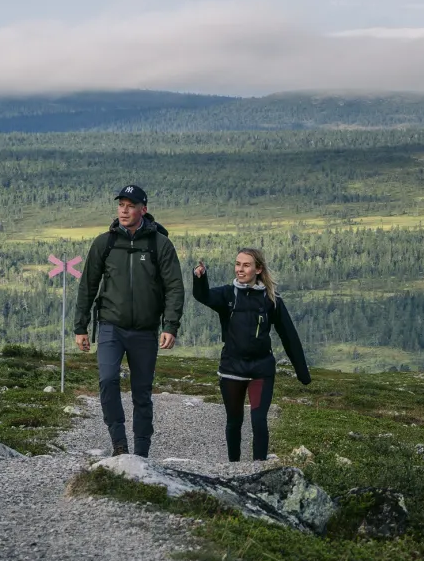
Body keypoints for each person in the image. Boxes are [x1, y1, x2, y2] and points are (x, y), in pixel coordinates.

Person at [73, 184, 185, 457]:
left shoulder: (160, 244)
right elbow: (88, 285)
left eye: (130, 205)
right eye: (121, 205)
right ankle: (119, 444)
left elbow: (174, 287)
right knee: (108, 380)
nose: (124, 210)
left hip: (146, 330)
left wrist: (170, 325)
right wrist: (80, 327)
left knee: (142, 393)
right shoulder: (105, 242)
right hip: (111, 326)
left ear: (143, 210)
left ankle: (142, 452)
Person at [193, 249, 310, 462]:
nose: (240, 269)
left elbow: (289, 337)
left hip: (261, 370)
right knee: (234, 421)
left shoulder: (271, 299)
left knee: (259, 421)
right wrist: (200, 277)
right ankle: (234, 468)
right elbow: (203, 296)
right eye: (238, 264)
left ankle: (258, 469)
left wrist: (303, 373)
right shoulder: (228, 294)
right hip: (232, 369)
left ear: (258, 269)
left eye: (246, 265)